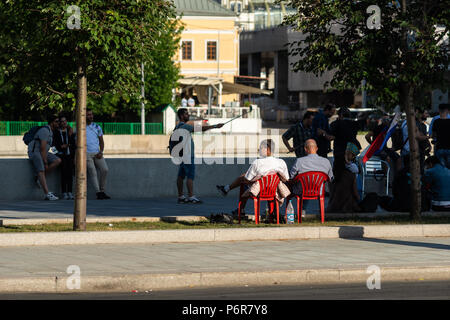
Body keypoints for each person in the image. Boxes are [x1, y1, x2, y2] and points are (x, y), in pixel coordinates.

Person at [216, 139, 290, 220]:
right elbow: (286, 179)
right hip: (274, 191)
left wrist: (251, 178)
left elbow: (248, 179)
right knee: (245, 178)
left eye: (261, 148)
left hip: (259, 191)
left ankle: (240, 209)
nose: (259, 150)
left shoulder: (257, 162)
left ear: (267, 149)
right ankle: (227, 190)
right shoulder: (281, 162)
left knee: (244, 183)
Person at [175, 108, 224, 204]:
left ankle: (181, 196)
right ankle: (191, 196)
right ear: (181, 116)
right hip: (188, 155)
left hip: (182, 155)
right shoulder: (184, 126)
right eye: (186, 114)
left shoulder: (177, 127)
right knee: (190, 175)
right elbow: (200, 128)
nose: (188, 115)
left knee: (181, 176)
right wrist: (214, 126)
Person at [28, 115, 62, 200]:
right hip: (36, 152)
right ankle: (47, 194)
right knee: (41, 169)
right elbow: (42, 148)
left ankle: (39, 178)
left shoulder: (51, 131)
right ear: (52, 122)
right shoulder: (45, 131)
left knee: (57, 160)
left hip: (43, 152)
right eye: (57, 121)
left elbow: (47, 148)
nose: (59, 123)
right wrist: (45, 162)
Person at [326, 142, 361, 213]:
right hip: (345, 205)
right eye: (346, 153)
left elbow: (355, 169)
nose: (346, 155)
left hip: (335, 205)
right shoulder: (346, 173)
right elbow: (355, 192)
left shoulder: (352, 167)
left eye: (349, 153)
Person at [329, 107, 361, 182]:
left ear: (340, 116)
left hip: (339, 153)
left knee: (337, 177)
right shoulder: (355, 124)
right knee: (351, 177)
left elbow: (331, 135)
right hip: (351, 153)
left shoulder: (336, 124)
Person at [86, 109, 110, 200]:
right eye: (88, 115)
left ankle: (102, 191)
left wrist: (101, 151)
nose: (90, 116)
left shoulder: (97, 127)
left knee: (105, 170)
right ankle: (98, 192)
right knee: (92, 171)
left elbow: (101, 141)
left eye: (91, 114)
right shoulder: (81, 127)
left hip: (97, 153)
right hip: (87, 154)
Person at [53, 116, 76, 200]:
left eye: (65, 121)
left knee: (70, 174)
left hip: (69, 155)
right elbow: (54, 145)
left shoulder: (70, 131)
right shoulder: (56, 132)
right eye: (61, 121)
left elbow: (73, 144)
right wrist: (61, 147)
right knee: (63, 174)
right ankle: (64, 193)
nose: (64, 123)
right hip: (61, 155)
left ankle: (70, 192)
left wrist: (74, 156)